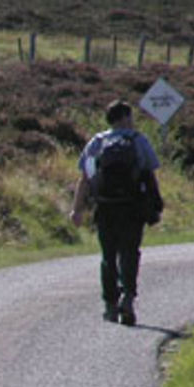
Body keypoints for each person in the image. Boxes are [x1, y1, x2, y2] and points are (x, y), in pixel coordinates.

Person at [70, 99, 162, 326]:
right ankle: (128, 298)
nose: (132, 122)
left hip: (105, 207)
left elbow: (85, 179)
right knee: (130, 252)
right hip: (132, 207)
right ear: (124, 118)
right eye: (130, 117)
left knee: (108, 257)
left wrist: (77, 209)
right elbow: (150, 174)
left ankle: (110, 304)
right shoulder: (139, 140)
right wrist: (155, 205)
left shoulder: (97, 142)